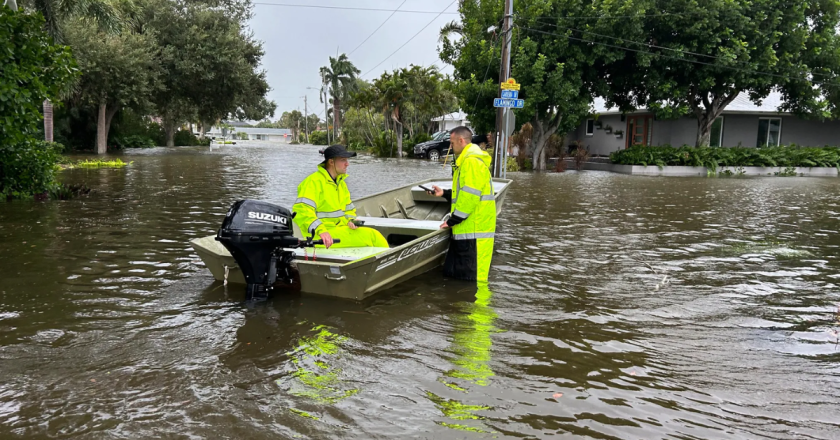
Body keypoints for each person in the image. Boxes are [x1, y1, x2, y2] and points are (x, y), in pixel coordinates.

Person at [428, 126, 496, 281]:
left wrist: (452, 221)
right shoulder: (465, 162)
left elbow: (470, 197)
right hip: (466, 231)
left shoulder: (471, 162)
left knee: (473, 281)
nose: (450, 147)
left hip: (474, 233)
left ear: (461, 140)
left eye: (452, 143)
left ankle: (479, 306)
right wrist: (444, 193)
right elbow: (464, 193)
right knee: (457, 279)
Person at [293, 145, 389, 249]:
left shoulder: (341, 184)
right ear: (331, 162)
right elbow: (302, 211)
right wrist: (321, 231)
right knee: (374, 237)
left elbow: (349, 210)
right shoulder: (313, 182)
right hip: (320, 236)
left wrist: (351, 220)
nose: (347, 164)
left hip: (338, 230)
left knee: (372, 236)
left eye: (347, 160)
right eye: (343, 160)